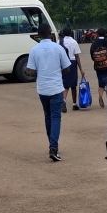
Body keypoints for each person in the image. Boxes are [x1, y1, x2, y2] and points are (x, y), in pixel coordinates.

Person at [25, 23, 71, 162]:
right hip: (56, 88)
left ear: (38, 35)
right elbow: (67, 68)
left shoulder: (34, 50)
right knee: (56, 117)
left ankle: (51, 144)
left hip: (43, 89)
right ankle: (53, 147)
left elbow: (31, 72)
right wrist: (57, 73)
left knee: (47, 116)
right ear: (50, 34)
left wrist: (37, 73)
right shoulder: (58, 48)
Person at [89, 28, 107, 108]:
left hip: (98, 66)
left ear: (97, 34)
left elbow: (92, 55)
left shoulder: (94, 43)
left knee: (101, 83)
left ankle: (100, 96)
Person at [60, 28, 86, 112]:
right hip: (72, 63)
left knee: (65, 84)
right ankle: (74, 104)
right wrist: (81, 69)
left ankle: (63, 99)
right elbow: (77, 56)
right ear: (71, 33)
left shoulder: (59, 42)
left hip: (63, 63)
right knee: (73, 84)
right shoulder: (74, 42)